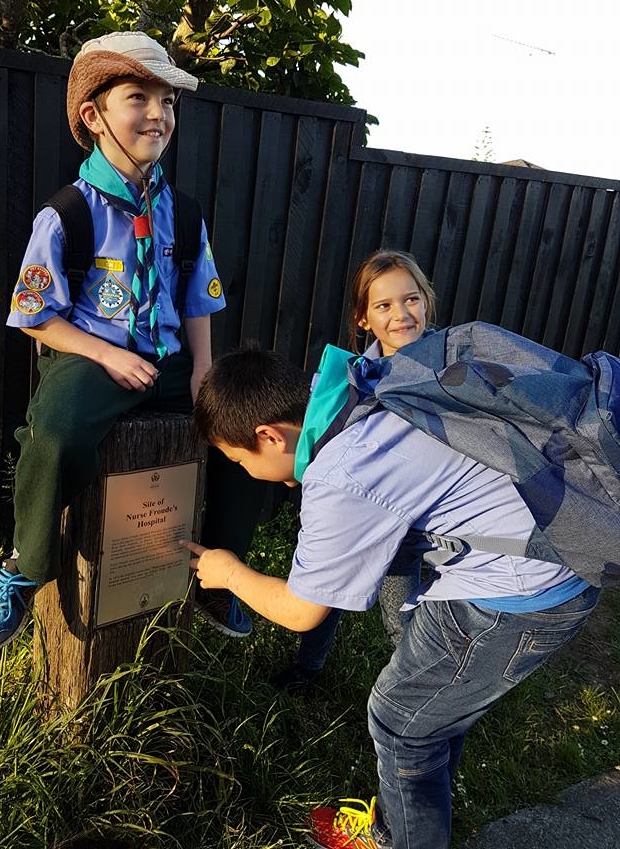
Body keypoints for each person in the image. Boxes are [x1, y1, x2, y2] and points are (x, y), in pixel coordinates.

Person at [184, 341, 600, 849]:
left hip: (520, 593)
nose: (244, 473)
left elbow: (301, 612)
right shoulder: (359, 387)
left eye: (237, 460)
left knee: (401, 721)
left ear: (268, 435)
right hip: (540, 550)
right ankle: (405, 817)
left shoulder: (344, 471)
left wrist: (228, 573)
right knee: (431, 709)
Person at [0, 30, 259, 651]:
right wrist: (105, 353)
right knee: (56, 431)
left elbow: (197, 295)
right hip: (91, 358)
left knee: (245, 425)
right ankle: (24, 567)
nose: (159, 114)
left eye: (169, 102)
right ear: (93, 115)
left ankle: (217, 573)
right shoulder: (69, 213)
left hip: (171, 360)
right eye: (139, 97)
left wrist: (204, 371)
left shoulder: (182, 209)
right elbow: (35, 315)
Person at [273, 249, 433, 690]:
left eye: (411, 299)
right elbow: (319, 432)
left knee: (401, 608)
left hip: (408, 519)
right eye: (383, 306)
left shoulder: (448, 371)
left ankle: (416, 692)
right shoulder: (354, 375)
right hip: (352, 513)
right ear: (363, 319)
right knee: (326, 593)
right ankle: (308, 668)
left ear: (426, 300)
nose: (401, 314)